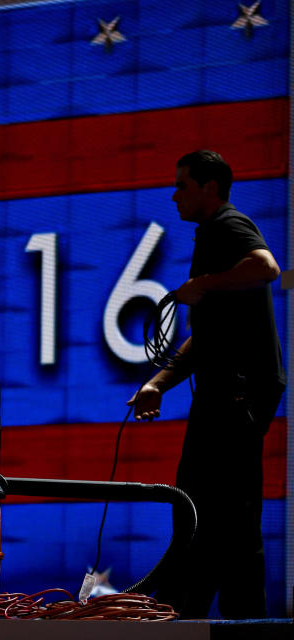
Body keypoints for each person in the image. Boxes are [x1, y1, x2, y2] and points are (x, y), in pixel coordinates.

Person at [128, 150, 285, 619]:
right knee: (220, 511)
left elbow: (267, 267)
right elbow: (207, 335)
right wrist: (159, 383)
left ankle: (185, 608)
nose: (174, 194)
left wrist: (206, 284)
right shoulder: (211, 236)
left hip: (237, 394)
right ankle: (214, 611)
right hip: (227, 392)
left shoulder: (227, 226)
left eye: (182, 185)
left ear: (209, 187)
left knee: (209, 504)